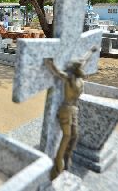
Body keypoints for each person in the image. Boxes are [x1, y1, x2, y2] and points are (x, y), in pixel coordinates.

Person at [45, 46, 98, 179]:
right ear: (75, 69)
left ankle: (67, 157)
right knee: (67, 136)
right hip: (66, 110)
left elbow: (84, 60)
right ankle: (58, 164)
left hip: (74, 110)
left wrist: (91, 52)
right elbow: (57, 72)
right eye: (80, 67)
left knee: (75, 136)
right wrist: (50, 62)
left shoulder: (79, 76)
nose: (83, 68)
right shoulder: (69, 78)